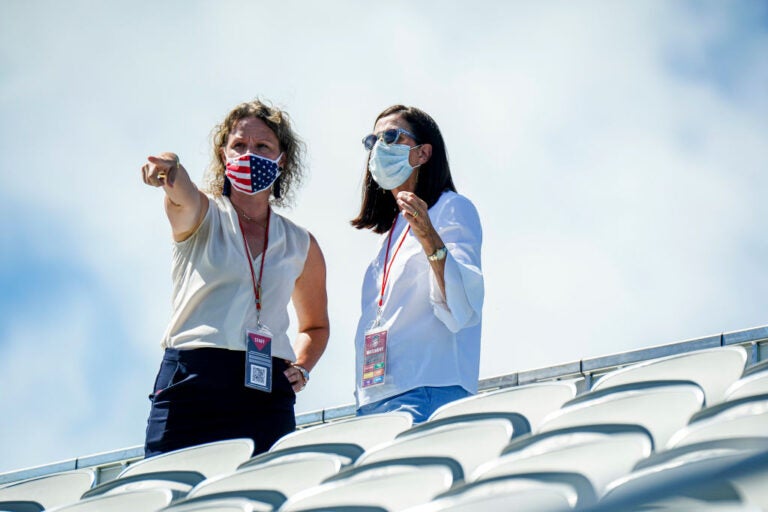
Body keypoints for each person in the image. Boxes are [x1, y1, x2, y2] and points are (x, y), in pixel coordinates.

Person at [140, 99, 329, 457]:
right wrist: (169, 167)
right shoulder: (201, 214)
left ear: (282, 159)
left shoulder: (300, 243)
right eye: (239, 146)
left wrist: (302, 368)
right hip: (192, 380)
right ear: (224, 155)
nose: (249, 154)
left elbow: (315, 326)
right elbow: (178, 188)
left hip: (265, 393)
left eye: (262, 147)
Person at [351, 105, 484, 423]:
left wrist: (429, 237)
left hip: (428, 389)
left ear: (423, 153)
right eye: (373, 141)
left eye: (391, 136)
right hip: (374, 397)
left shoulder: (451, 208)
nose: (380, 148)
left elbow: (464, 302)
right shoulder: (390, 233)